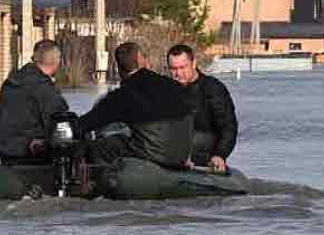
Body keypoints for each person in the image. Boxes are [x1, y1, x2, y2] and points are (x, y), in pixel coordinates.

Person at [77, 42, 194, 169]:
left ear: (118, 69)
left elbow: (88, 122)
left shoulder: (123, 95)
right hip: (182, 156)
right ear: (140, 59)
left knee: (102, 147)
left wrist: (70, 126)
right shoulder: (172, 85)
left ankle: (98, 184)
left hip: (153, 157)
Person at [0, 39, 69, 165]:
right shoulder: (45, 88)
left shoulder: (11, 82)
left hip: (6, 153)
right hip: (32, 155)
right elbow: (60, 122)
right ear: (57, 61)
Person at [167, 44, 238, 172]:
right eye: (173, 69)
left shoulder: (213, 89)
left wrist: (220, 155)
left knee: (198, 138)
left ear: (193, 64)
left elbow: (228, 127)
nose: (178, 73)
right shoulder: (166, 90)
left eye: (183, 67)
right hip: (175, 150)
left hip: (205, 150)